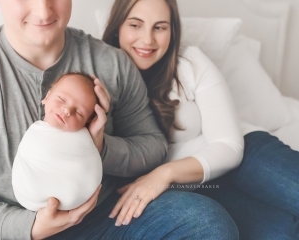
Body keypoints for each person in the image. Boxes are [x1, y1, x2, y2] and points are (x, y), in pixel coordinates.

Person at [0, 0, 238, 239]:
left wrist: (100, 146)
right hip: (16, 226)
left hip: (107, 217)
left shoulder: (112, 62)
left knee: (208, 223)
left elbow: (153, 146)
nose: (43, 10)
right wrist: (29, 228)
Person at [102, 0, 299, 239]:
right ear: (117, 27)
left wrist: (164, 174)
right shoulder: (101, 76)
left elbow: (229, 145)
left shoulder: (190, 61)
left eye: (160, 27)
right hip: (199, 189)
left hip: (246, 155)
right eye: (135, 25)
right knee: (284, 231)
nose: (147, 39)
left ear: (172, 31)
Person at [12, 72, 103, 212]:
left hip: (78, 198)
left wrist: (97, 136)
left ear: (87, 122)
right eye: (61, 99)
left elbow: (85, 165)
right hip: (29, 200)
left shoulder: (83, 138)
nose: (67, 110)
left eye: (79, 113)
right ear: (46, 97)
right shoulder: (36, 132)